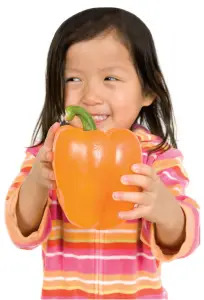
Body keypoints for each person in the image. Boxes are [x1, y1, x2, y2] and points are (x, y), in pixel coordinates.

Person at [5, 7, 200, 300]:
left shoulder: (158, 157)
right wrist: (37, 180)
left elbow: (183, 239)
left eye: (110, 78)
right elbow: (21, 231)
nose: (90, 97)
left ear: (148, 90)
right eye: (73, 79)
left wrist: (166, 210)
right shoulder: (48, 152)